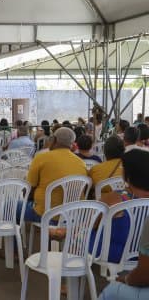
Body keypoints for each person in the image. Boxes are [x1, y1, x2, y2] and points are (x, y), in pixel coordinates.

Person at [98, 150, 149, 299]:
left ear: (129, 174)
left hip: (115, 252)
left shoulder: (115, 198)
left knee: (79, 236)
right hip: (138, 255)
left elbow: (94, 223)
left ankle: (70, 284)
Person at [22, 127, 87, 222]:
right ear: (72, 144)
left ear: (54, 140)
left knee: (9, 205)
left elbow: (29, 187)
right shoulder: (81, 163)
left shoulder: (41, 157)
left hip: (44, 215)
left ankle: (18, 235)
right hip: (71, 216)